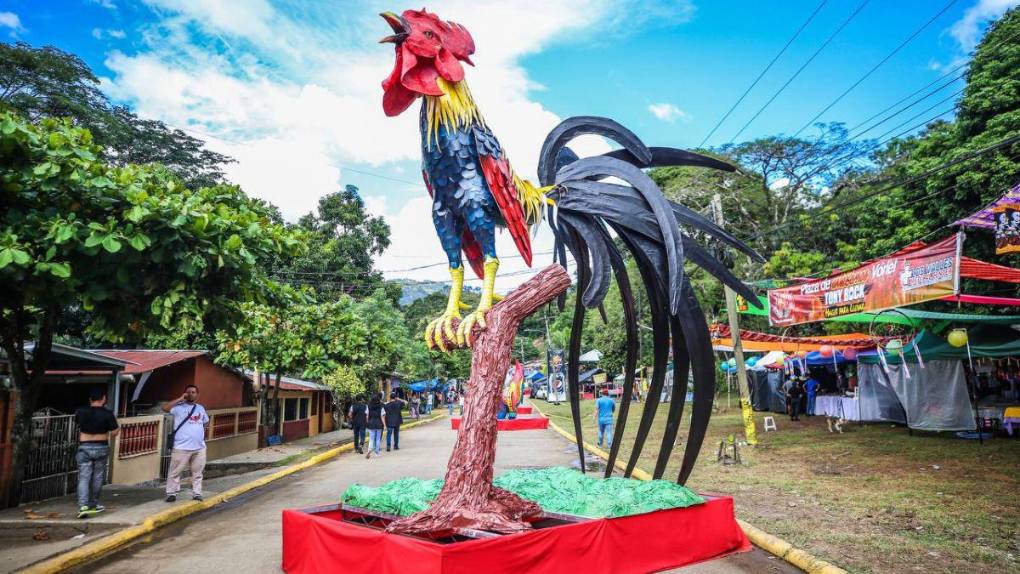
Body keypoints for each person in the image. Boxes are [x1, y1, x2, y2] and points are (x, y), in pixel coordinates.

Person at [74, 387, 119, 519]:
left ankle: (83, 506)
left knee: (83, 477)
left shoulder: (81, 412)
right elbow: (115, 432)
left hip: (84, 447)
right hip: (101, 447)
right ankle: (94, 504)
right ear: (104, 399)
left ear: (90, 399)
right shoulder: (107, 413)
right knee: (98, 476)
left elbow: (78, 424)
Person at [163, 384, 209, 502]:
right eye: (188, 392)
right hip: (181, 447)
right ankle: (171, 493)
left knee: (198, 472)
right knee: (175, 471)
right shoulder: (178, 407)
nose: (191, 394)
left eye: (193, 392)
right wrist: (180, 398)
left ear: (197, 395)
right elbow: (165, 408)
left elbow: (205, 422)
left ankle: (197, 493)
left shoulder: (200, 408)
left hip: (199, 447)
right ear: (185, 393)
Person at [365, 393, 385, 458]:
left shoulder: (368, 406)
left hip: (371, 423)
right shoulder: (381, 406)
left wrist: (367, 423)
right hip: (379, 424)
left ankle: (369, 450)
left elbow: (367, 416)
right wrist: (384, 425)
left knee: (371, 439)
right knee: (378, 439)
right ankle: (377, 453)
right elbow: (382, 417)